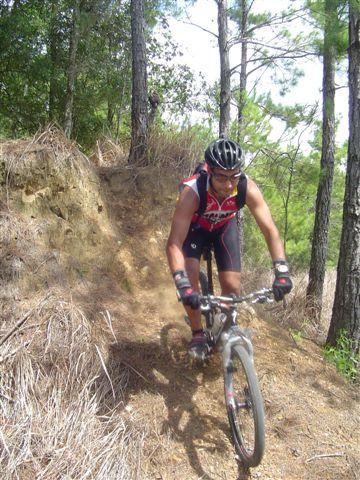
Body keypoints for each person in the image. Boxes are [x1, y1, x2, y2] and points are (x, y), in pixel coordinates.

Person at [166, 138, 293, 361]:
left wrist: (281, 271)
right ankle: (197, 332)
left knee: (232, 288)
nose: (228, 184)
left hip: (224, 229)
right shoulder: (192, 192)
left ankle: (224, 329)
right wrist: (181, 282)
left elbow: (270, 230)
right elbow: (174, 242)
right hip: (195, 230)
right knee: (191, 275)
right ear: (209, 172)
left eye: (234, 176)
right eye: (221, 177)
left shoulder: (246, 187)